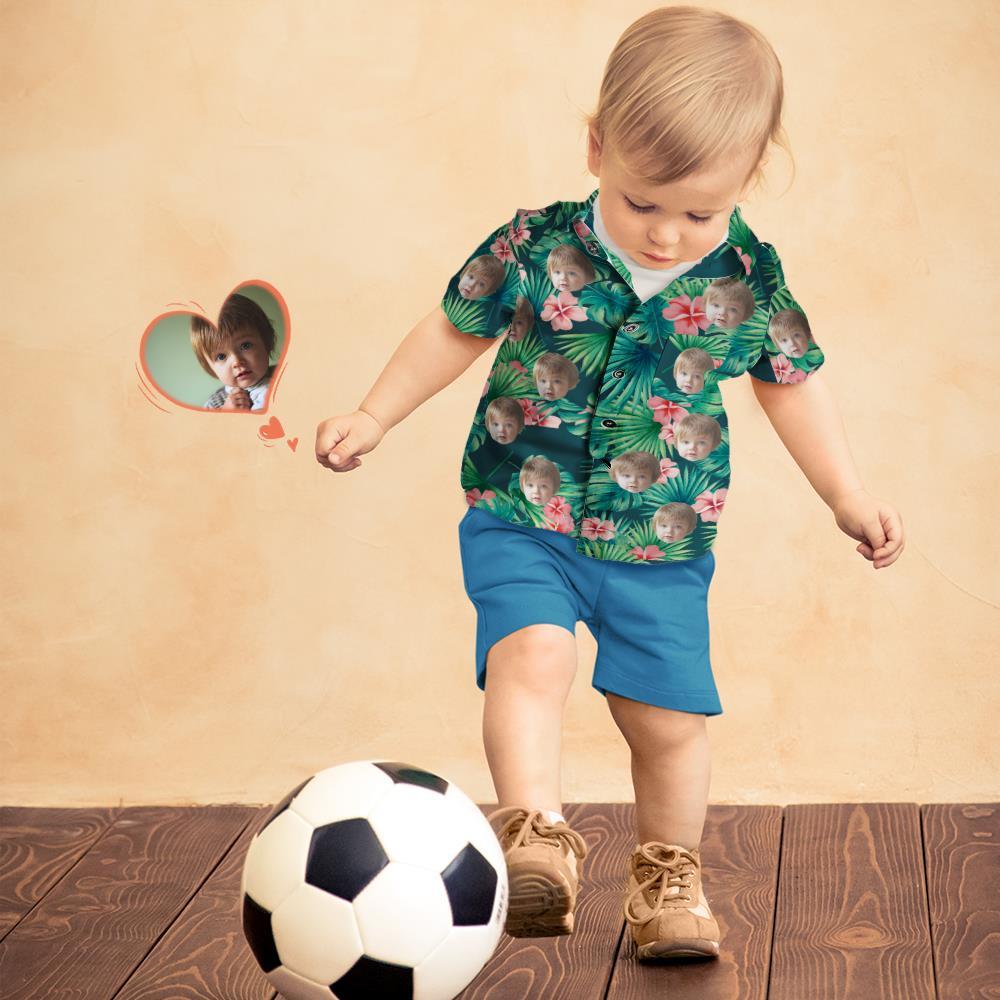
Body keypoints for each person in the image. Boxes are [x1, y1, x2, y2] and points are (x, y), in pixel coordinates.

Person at [315, 4, 904, 962]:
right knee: (531, 657)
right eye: (643, 204)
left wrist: (846, 494)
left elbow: (792, 386)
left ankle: (669, 875)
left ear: (746, 184)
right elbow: (452, 329)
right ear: (596, 150)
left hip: (661, 542)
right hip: (523, 512)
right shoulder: (533, 247)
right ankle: (535, 836)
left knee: (666, 723)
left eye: (698, 214)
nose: (668, 235)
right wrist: (376, 414)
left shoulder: (748, 277)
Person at [190, 293, 277, 411]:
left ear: (266, 343)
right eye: (221, 356)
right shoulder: (215, 406)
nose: (237, 361)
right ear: (210, 367)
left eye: (245, 346)